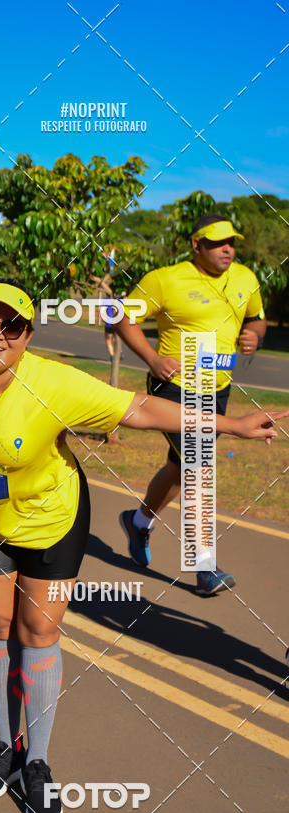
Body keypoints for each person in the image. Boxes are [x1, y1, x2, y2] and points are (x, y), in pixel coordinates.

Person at [0, 278, 283, 813]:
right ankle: (3, 747)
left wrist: (229, 424)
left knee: (37, 632)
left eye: (11, 326)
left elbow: (139, 409)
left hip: (54, 522)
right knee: (0, 629)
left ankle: (36, 762)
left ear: (28, 335)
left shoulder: (53, 383)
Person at [115, 213, 267, 595]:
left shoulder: (246, 278)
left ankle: (138, 521)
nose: (227, 249)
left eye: (231, 241)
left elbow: (257, 318)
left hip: (217, 389)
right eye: (216, 243)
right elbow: (121, 317)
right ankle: (204, 568)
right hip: (175, 387)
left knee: (181, 467)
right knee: (198, 470)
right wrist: (152, 358)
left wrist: (254, 336)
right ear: (196, 246)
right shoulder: (165, 279)